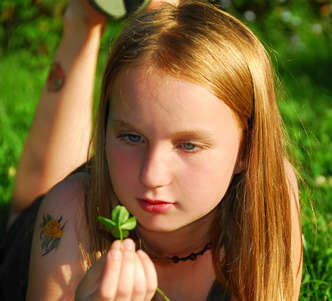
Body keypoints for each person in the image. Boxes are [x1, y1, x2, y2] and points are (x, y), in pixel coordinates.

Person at [4, 0, 303, 300]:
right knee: (37, 204)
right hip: (54, 227)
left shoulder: (270, 193)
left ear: (246, 150)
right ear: (105, 127)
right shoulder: (69, 211)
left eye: (188, 145)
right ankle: (84, 22)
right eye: (131, 137)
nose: (151, 175)